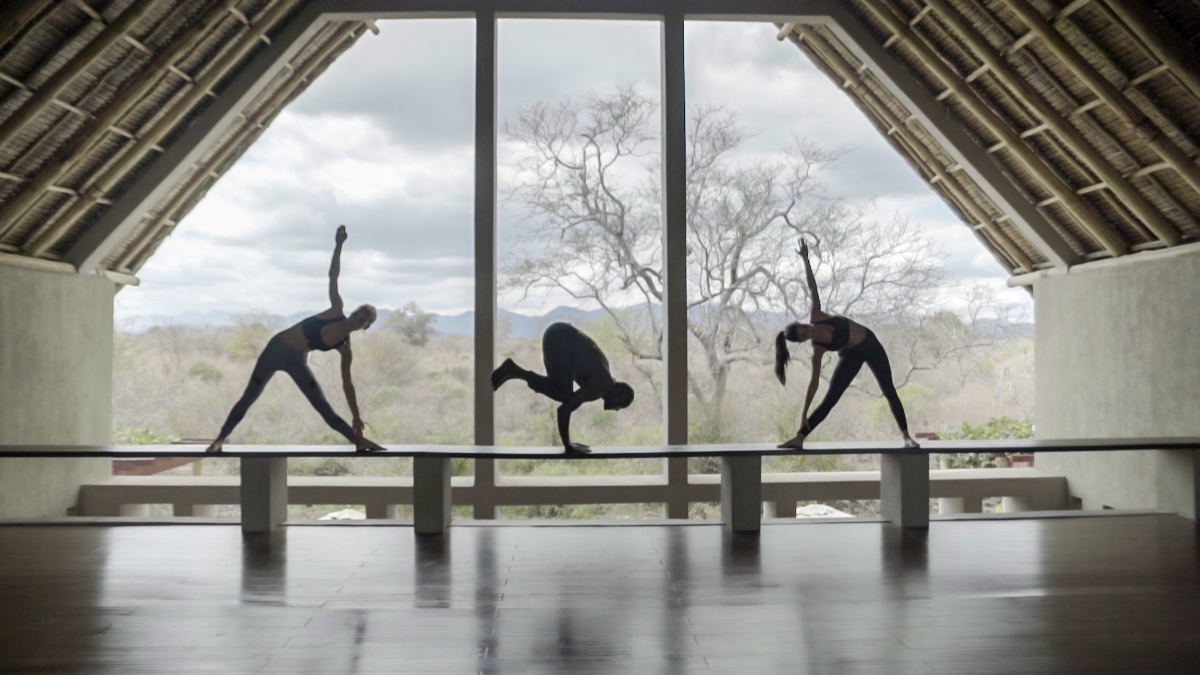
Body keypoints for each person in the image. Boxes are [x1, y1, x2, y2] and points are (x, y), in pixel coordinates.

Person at [205, 226, 385, 453]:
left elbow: (347, 384)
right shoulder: (335, 310)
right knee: (249, 397)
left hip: (297, 360)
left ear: (364, 328)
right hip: (276, 350)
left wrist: (357, 416)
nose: (355, 321)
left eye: (361, 322)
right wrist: (339, 245)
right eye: (356, 316)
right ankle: (219, 439)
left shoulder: (345, 348)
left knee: (322, 405)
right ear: (352, 313)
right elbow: (333, 276)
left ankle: (358, 441)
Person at [775, 239, 918, 450]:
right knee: (831, 398)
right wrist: (804, 413)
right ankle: (799, 438)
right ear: (804, 340)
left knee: (888, 389)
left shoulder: (818, 315)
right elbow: (813, 383)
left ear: (804, 323)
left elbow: (812, 287)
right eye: (804, 334)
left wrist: (806, 259)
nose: (808, 330)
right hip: (851, 354)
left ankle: (906, 436)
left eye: (804, 327)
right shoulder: (818, 349)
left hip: (870, 344)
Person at [491, 322, 635, 454]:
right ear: (619, 392)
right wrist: (568, 445)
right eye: (620, 404)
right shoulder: (600, 386)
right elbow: (564, 410)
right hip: (559, 338)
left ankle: (514, 370)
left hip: (558, 334)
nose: (616, 409)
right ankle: (513, 370)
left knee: (561, 391)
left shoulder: (604, 378)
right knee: (564, 395)